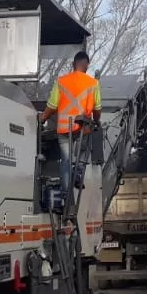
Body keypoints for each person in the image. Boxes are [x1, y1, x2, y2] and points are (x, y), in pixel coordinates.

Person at [39, 51, 102, 204]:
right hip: (83, 129)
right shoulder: (93, 83)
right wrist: (97, 121)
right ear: (86, 65)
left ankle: (67, 196)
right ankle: (79, 173)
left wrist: (42, 119)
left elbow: (52, 105)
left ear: (73, 64)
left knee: (66, 162)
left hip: (64, 130)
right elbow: (97, 108)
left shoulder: (61, 81)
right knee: (81, 154)